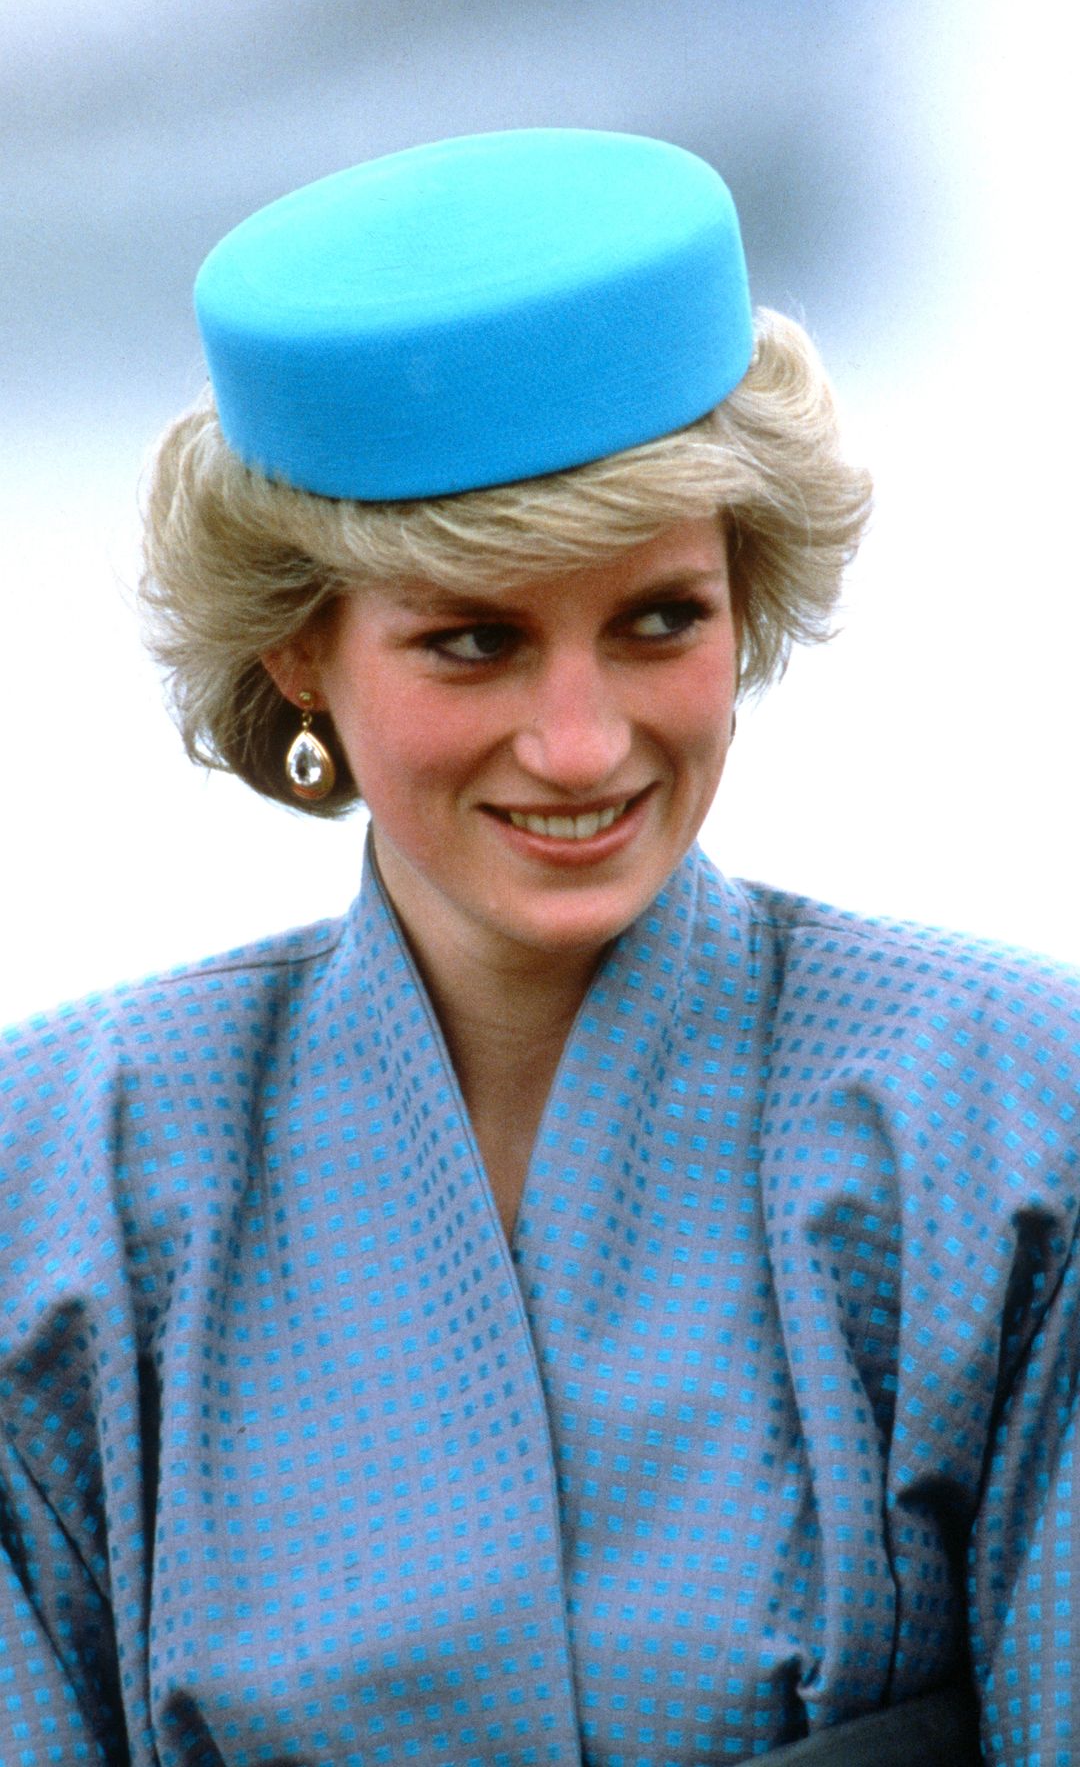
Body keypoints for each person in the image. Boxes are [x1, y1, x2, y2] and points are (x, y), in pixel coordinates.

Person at [1, 129, 1075, 1767]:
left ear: (749, 596)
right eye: (475, 641)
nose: (579, 746)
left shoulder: (1006, 1125)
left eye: (660, 620)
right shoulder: (61, 1179)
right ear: (303, 647)